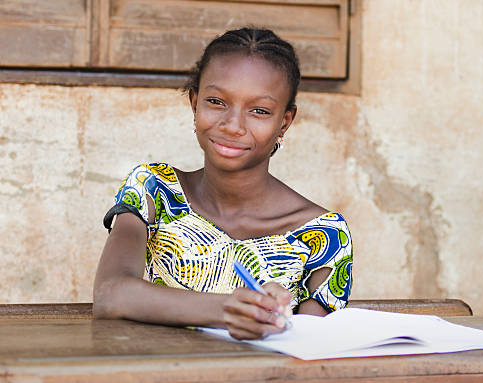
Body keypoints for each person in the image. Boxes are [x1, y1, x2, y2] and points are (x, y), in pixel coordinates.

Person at [93, 27, 353, 340]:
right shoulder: (153, 191)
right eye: (216, 102)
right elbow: (111, 294)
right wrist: (227, 309)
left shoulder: (324, 236)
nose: (232, 125)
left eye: (259, 110)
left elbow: (311, 350)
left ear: (284, 121)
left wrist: (271, 315)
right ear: (194, 103)